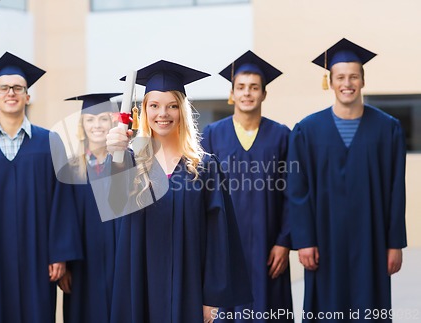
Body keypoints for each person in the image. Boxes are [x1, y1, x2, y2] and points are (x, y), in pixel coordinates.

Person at [106, 60, 253, 323]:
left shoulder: (205, 167)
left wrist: (212, 297)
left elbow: (218, 236)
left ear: (182, 111)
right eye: (154, 106)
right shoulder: (130, 162)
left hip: (190, 287)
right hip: (140, 284)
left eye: (172, 105)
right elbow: (112, 202)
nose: (163, 113)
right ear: (143, 111)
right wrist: (115, 156)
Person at [0, 52, 82, 323]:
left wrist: (59, 254)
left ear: (27, 96)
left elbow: (62, 202)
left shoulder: (50, 142)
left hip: (38, 255)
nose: (10, 93)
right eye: (4, 88)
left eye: (18, 88)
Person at [287, 38, 407, 322]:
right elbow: (297, 189)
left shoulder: (388, 129)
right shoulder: (307, 130)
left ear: (363, 81)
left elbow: (396, 189)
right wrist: (304, 240)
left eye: (354, 76)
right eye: (340, 77)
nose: (347, 83)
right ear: (329, 82)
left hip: (372, 239)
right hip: (323, 240)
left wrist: (395, 243)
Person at [201, 50, 293, 322]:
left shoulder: (281, 135)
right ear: (232, 94)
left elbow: (292, 193)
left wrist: (284, 242)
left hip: (269, 246)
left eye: (254, 88)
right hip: (226, 246)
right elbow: (203, 194)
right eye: (240, 87)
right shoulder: (212, 135)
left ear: (264, 94)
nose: (247, 93)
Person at [57, 93, 122, 323]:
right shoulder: (70, 170)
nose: (97, 125)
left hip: (120, 261)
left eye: (103, 118)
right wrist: (65, 264)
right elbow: (63, 219)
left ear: (113, 121)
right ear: (82, 125)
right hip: (83, 265)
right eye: (90, 119)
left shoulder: (124, 164)